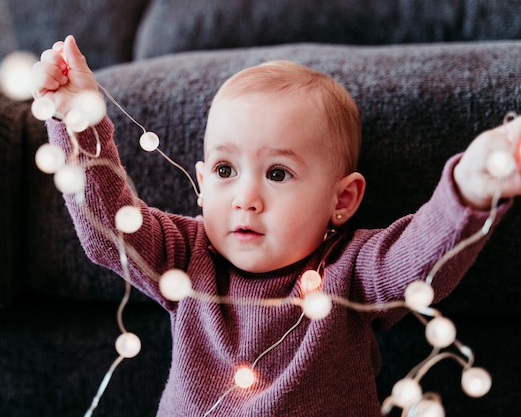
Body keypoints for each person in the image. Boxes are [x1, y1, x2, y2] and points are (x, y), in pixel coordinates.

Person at [32, 35, 521, 416]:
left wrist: (470, 187)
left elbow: (417, 257)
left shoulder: (349, 270)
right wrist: (80, 121)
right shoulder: (185, 256)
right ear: (201, 183)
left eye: (278, 174)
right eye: (225, 171)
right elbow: (108, 230)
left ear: (342, 200)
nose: (246, 198)